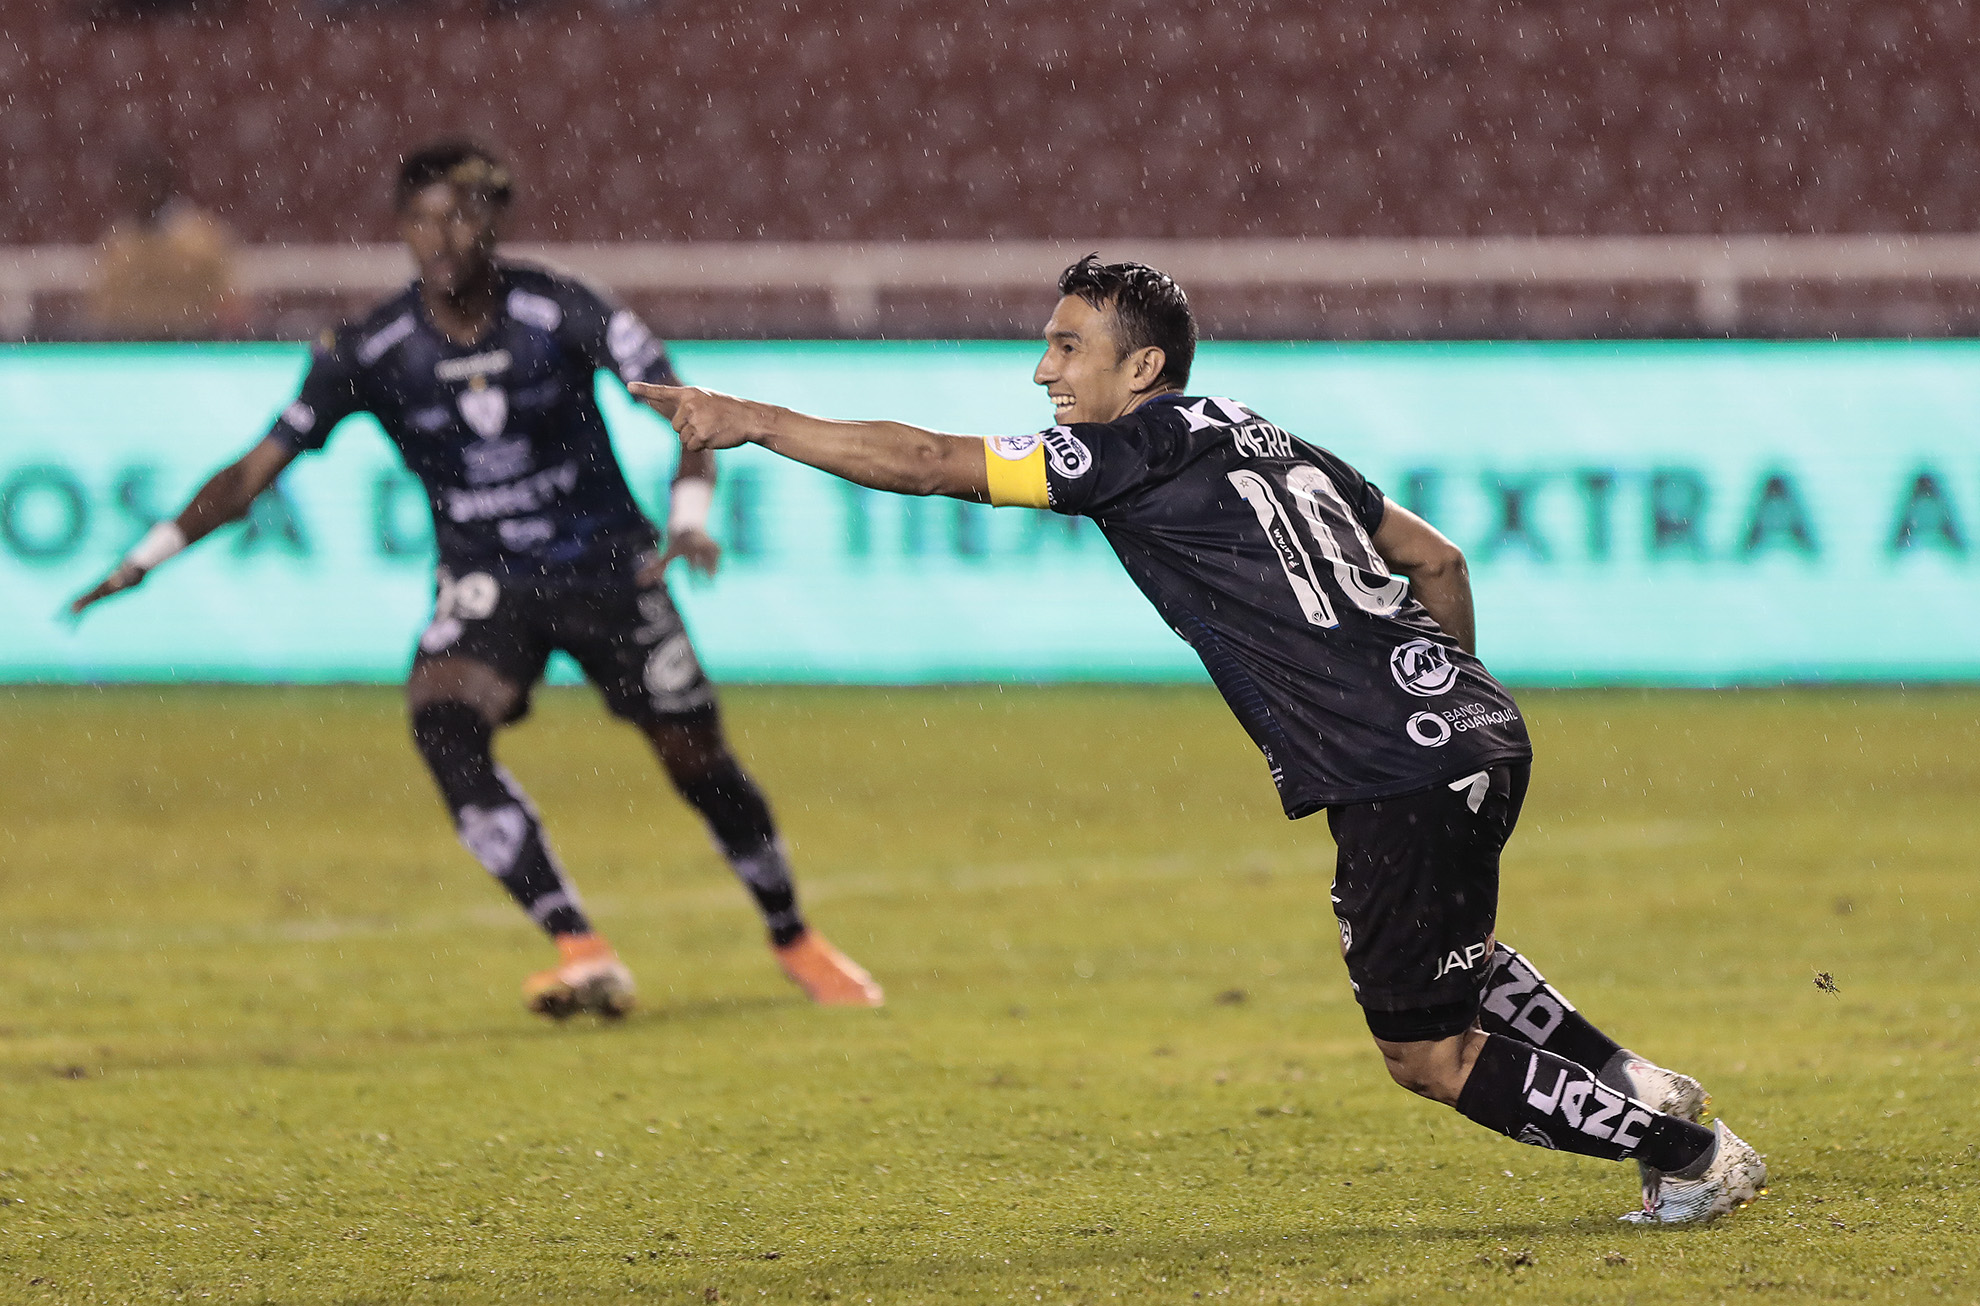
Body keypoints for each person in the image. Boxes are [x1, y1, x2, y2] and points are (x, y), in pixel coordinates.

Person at [628, 255, 1767, 1226]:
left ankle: (1684, 1160)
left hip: (1394, 765)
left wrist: (756, 422)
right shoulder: (1267, 436)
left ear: (1141, 369)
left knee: (1425, 1050)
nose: (1043, 371)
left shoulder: (1132, 449)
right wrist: (1453, 702)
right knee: (1449, 954)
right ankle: (1636, 1081)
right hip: (1473, 729)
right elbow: (1438, 561)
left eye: (1068, 348)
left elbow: (931, 465)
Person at [70, 140, 883, 1019]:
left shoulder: (563, 310)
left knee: (697, 758)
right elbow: (256, 470)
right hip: (486, 579)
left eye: (460, 214)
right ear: (401, 230)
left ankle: (793, 937)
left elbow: (688, 413)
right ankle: (580, 946)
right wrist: (146, 557)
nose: (442, 235)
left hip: (609, 566)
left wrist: (688, 520)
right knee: (442, 718)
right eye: (422, 217)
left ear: (493, 220)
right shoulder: (369, 347)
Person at [84, 140, 244, 341]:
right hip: (132, 354)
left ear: (163, 184)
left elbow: (230, 308)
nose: (136, 192)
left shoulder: (201, 240)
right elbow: (102, 312)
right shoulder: (116, 245)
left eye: (143, 182)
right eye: (128, 184)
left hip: (193, 352)